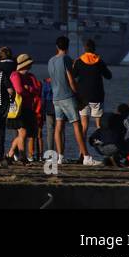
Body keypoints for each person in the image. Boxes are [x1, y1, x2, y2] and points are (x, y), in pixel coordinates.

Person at [48, 36, 95, 165]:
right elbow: (71, 80)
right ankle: (86, 156)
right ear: (67, 47)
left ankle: (60, 157)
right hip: (67, 96)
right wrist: (78, 95)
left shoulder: (51, 60)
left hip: (56, 97)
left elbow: (52, 79)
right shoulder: (66, 59)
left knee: (59, 126)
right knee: (76, 125)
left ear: (57, 46)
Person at [73, 38, 113, 137]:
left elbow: (72, 76)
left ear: (84, 49)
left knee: (84, 125)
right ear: (94, 49)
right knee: (99, 125)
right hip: (97, 96)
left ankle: (82, 150)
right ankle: (99, 146)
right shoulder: (99, 61)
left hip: (82, 97)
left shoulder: (79, 61)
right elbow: (109, 76)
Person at [7, 54, 41, 165]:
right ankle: (23, 157)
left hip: (27, 108)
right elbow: (19, 90)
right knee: (23, 132)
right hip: (19, 109)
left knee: (23, 134)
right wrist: (30, 92)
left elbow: (37, 89)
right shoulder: (15, 75)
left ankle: (10, 154)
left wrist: (29, 89)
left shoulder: (30, 76)